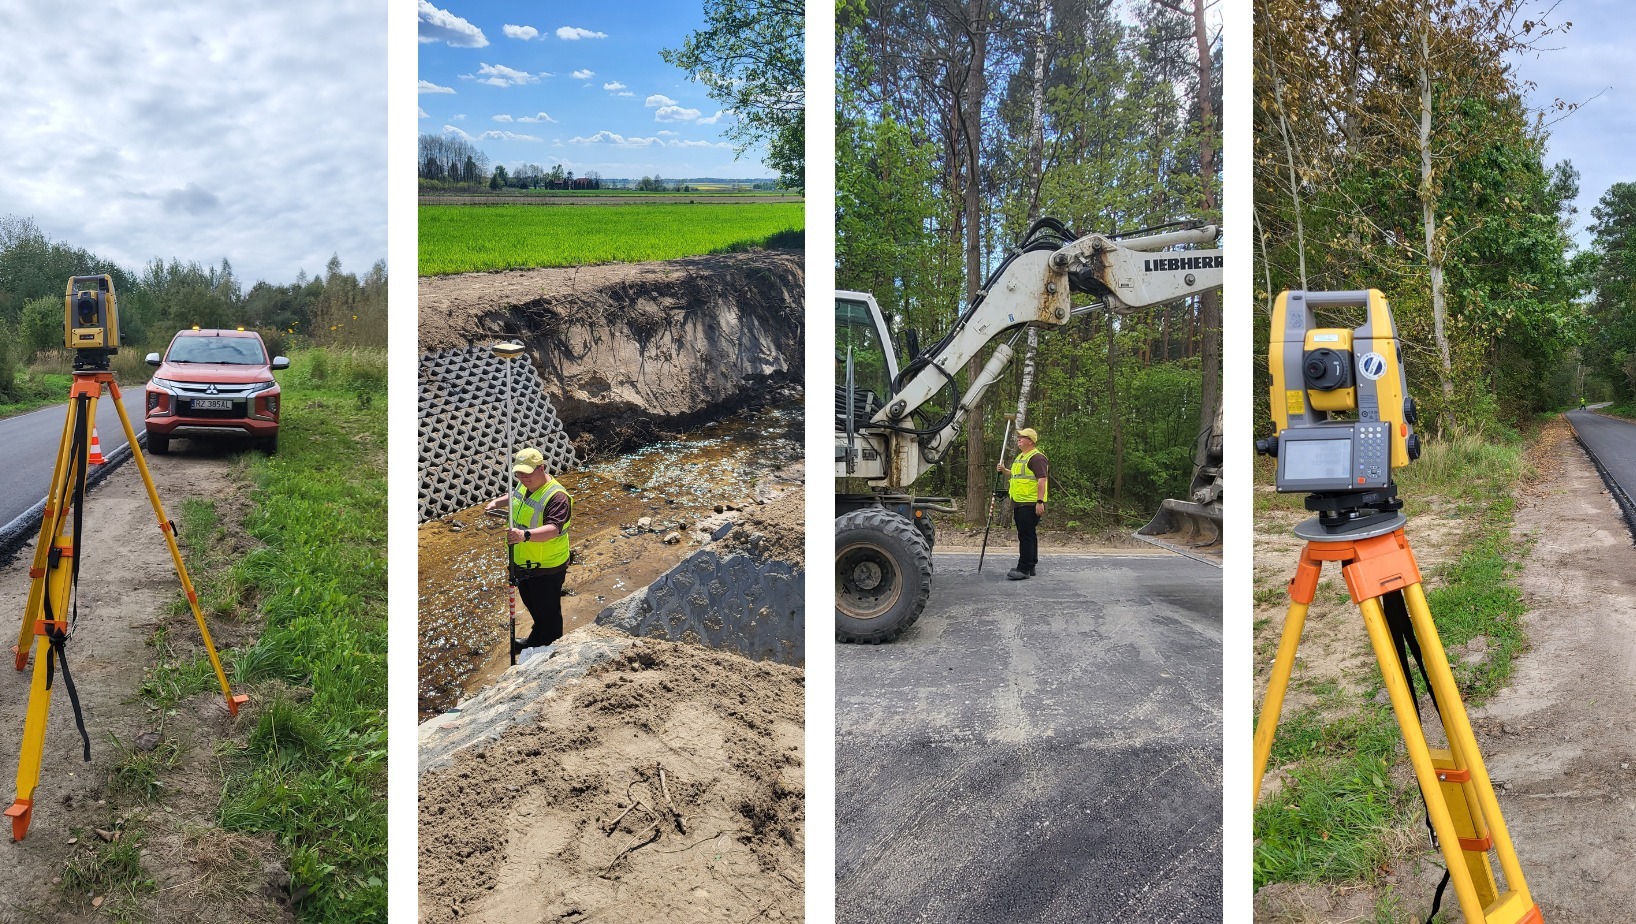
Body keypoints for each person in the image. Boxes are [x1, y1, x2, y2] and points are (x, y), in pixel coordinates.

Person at [484, 447, 573, 656]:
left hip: (546, 567)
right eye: (519, 473)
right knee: (535, 608)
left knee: (548, 614)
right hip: (523, 563)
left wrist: (524, 535)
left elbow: (553, 529)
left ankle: (549, 652)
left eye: (527, 473)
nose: (523, 478)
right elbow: (515, 496)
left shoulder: (557, 497)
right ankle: (535, 641)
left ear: (541, 468)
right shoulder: (524, 484)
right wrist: (497, 502)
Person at [996, 427, 1048, 580]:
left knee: (1026, 535)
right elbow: (1016, 475)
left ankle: (1024, 568)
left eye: (1022, 437)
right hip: (1019, 502)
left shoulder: (1037, 458)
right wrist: (1004, 470)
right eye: (1019, 437)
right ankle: (1031, 565)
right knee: (1028, 534)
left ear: (1030, 441)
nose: (1019, 439)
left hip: (1030, 502)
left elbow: (1042, 480)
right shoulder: (1021, 457)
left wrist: (1040, 502)